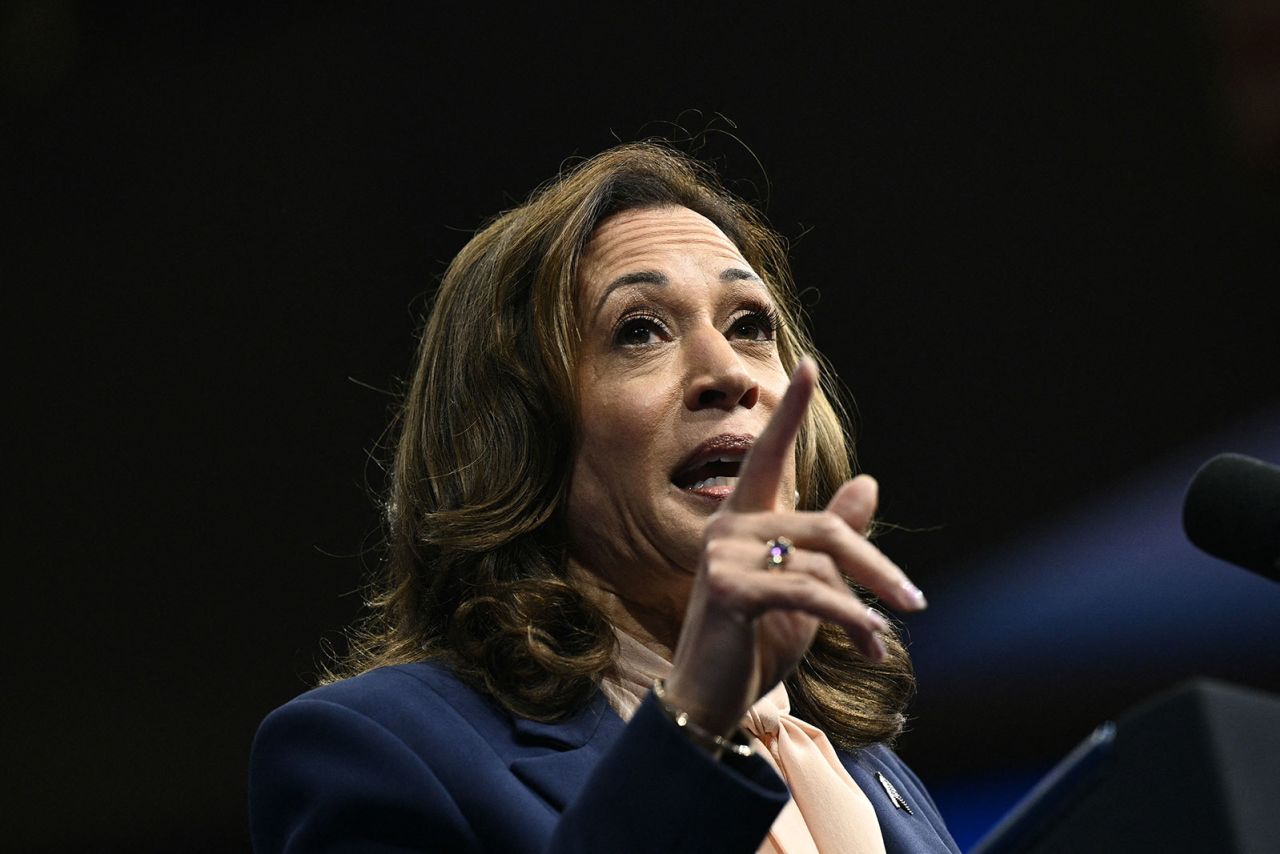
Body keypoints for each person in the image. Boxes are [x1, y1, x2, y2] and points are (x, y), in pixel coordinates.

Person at [249, 142, 960, 853]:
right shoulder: (375, 750)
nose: (727, 372)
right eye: (639, 331)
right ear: (520, 434)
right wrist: (696, 718)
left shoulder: (872, 773)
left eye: (749, 326)